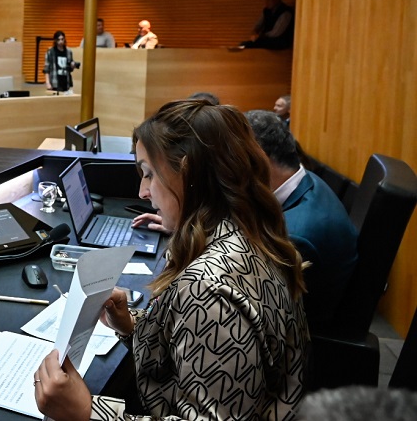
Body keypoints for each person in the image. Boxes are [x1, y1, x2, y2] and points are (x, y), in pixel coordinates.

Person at [35, 100, 308, 421]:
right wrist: (132, 326)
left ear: (187, 174)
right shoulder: (251, 232)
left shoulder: (206, 290)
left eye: (149, 174)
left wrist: (87, 413)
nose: (142, 191)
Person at [245, 109, 358, 324]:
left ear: (258, 160)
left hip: (303, 333)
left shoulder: (295, 236)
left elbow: (262, 309)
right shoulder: (304, 179)